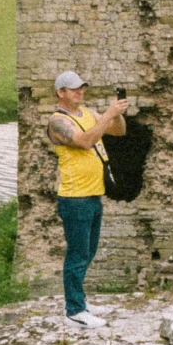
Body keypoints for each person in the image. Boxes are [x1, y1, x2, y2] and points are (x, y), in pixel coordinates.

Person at [47, 71, 126, 326]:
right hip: (75, 197)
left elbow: (118, 132)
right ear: (61, 92)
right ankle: (74, 311)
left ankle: (79, 300)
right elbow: (85, 141)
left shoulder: (88, 114)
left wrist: (117, 114)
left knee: (88, 252)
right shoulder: (58, 121)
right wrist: (108, 115)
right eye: (73, 89)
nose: (80, 92)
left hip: (93, 194)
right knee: (77, 254)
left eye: (82, 88)